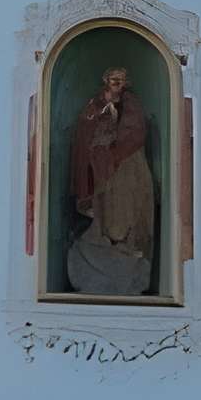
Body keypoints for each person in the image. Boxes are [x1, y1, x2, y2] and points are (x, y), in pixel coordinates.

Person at [67, 65, 158, 295]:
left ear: (126, 82)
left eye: (121, 79)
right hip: (100, 166)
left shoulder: (131, 104)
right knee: (103, 205)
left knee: (124, 206)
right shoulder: (96, 102)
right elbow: (85, 126)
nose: (117, 83)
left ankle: (125, 246)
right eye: (113, 79)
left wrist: (114, 151)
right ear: (106, 81)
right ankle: (105, 240)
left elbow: (135, 132)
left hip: (126, 164)